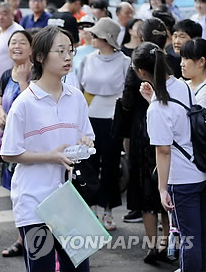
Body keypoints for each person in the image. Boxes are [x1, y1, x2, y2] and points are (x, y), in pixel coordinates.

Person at [0, 26, 94, 272]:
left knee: (79, 268)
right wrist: (50, 157)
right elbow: (8, 152)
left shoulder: (76, 97)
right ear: (40, 57)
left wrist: (85, 144)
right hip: (33, 201)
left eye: (70, 50)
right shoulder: (25, 103)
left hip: (69, 200)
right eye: (60, 51)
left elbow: (87, 136)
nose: (68, 57)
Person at [133, 42, 206, 272]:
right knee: (199, 234)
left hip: (181, 179)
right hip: (199, 169)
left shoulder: (157, 108)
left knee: (188, 240)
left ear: (142, 73)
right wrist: (152, 100)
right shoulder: (182, 86)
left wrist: (162, 188)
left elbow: (163, 150)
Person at [120, 18, 171, 262]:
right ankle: (167, 243)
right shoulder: (172, 60)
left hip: (143, 131)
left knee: (146, 191)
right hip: (169, 131)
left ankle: (152, 246)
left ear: (141, 36)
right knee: (166, 189)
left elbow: (127, 103)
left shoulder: (136, 64)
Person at [78, 17, 131, 231]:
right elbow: (80, 88)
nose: (91, 37)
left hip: (113, 119)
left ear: (106, 38)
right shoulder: (87, 59)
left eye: (95, 34)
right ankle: (90, 209)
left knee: (110, 166)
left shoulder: (125, 61)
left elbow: (127, 93)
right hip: (90, 117)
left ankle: (108, 210)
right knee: (89, 165)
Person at [0, 30, 33, 258]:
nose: (16, 46)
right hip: (9, 140)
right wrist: (1, 112)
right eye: (13, 42)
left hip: (29, 144)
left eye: (22, 42)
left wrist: (22, 81)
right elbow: (0, 103)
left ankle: (34, 241)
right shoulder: (6, 74)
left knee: (28, 194)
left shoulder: (35, 74)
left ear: (32, 47)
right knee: (15, 194)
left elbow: (36, 106)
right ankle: (21, 238)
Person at [0, 2, 24, 84]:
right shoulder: (2, 31)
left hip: (12, 81)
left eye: (4, 14)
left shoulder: (17, 32)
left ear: (12, 15)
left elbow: (21, 58)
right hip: (1, 81)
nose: (0, 17)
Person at [180, 38, 206, 107]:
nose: (181, 64)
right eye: (181, 58)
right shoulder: (185, 84)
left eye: (186, 58)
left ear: (201, 61)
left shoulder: (204, 92)